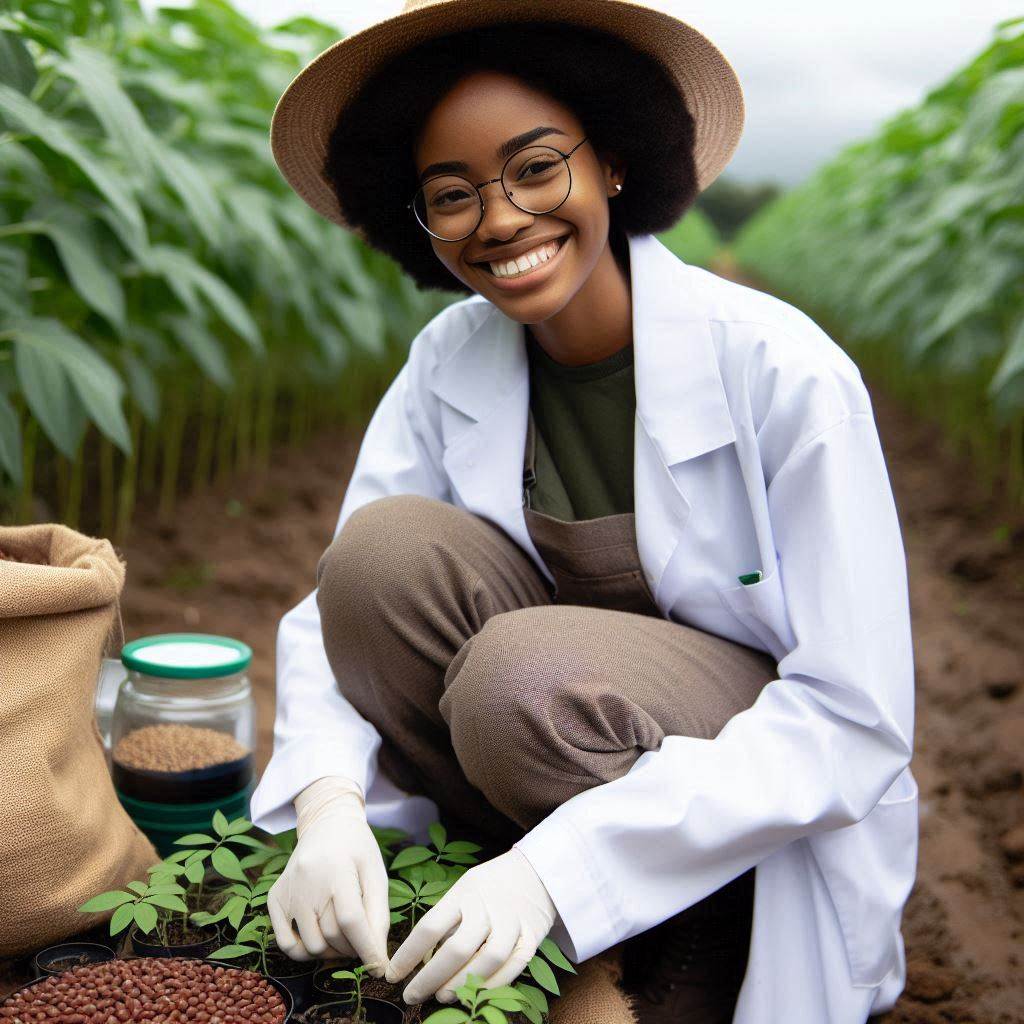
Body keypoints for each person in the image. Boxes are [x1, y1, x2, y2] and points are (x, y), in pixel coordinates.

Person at [248, 4, 919, 1023]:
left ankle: (676, 939)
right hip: (539, 744)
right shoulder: (448, 361)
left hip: (723, 772)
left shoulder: (780, 372)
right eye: (451, 194)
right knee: (378, 558)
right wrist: (328, 801)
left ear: (612, 162)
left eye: (533, 168)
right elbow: (334, 606)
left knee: (522, 679)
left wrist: (562, 871)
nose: (501, 218)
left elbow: (854, 717)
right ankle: (494, 887)